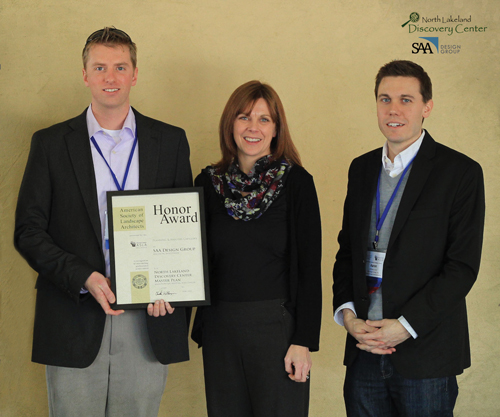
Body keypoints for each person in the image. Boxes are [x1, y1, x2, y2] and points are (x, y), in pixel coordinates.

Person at [14, 27, 192, 417]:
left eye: (120, 67)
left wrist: (171, 287)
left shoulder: (170, 141)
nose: (110, 77)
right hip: (74, 311)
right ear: (85, 75)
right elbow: (28, 231)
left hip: (148, 319)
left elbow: (183, 230)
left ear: (134, 74)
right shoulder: (50, 143)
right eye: (100, 67)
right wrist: (84, 277)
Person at [333, 60, 485, 417]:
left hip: (425, 355)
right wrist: (349, 317)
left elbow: (461, 267)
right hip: (364, 351)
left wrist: (404, 327)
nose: (393, 109)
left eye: (406, 99)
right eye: (385, 99)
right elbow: (347, 253)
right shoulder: (361, 168)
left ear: (426, 107)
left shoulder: (460, 172)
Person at [192, 80, 322, 416]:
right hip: (220, 330)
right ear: (230, 124)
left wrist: (303, 341)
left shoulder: (297, 183)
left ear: (276, 129)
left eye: (264, 119)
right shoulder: (206, 184)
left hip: (278, 332)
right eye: (244, 117)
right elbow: (187, 257)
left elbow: (310, 269)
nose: (253, 127)